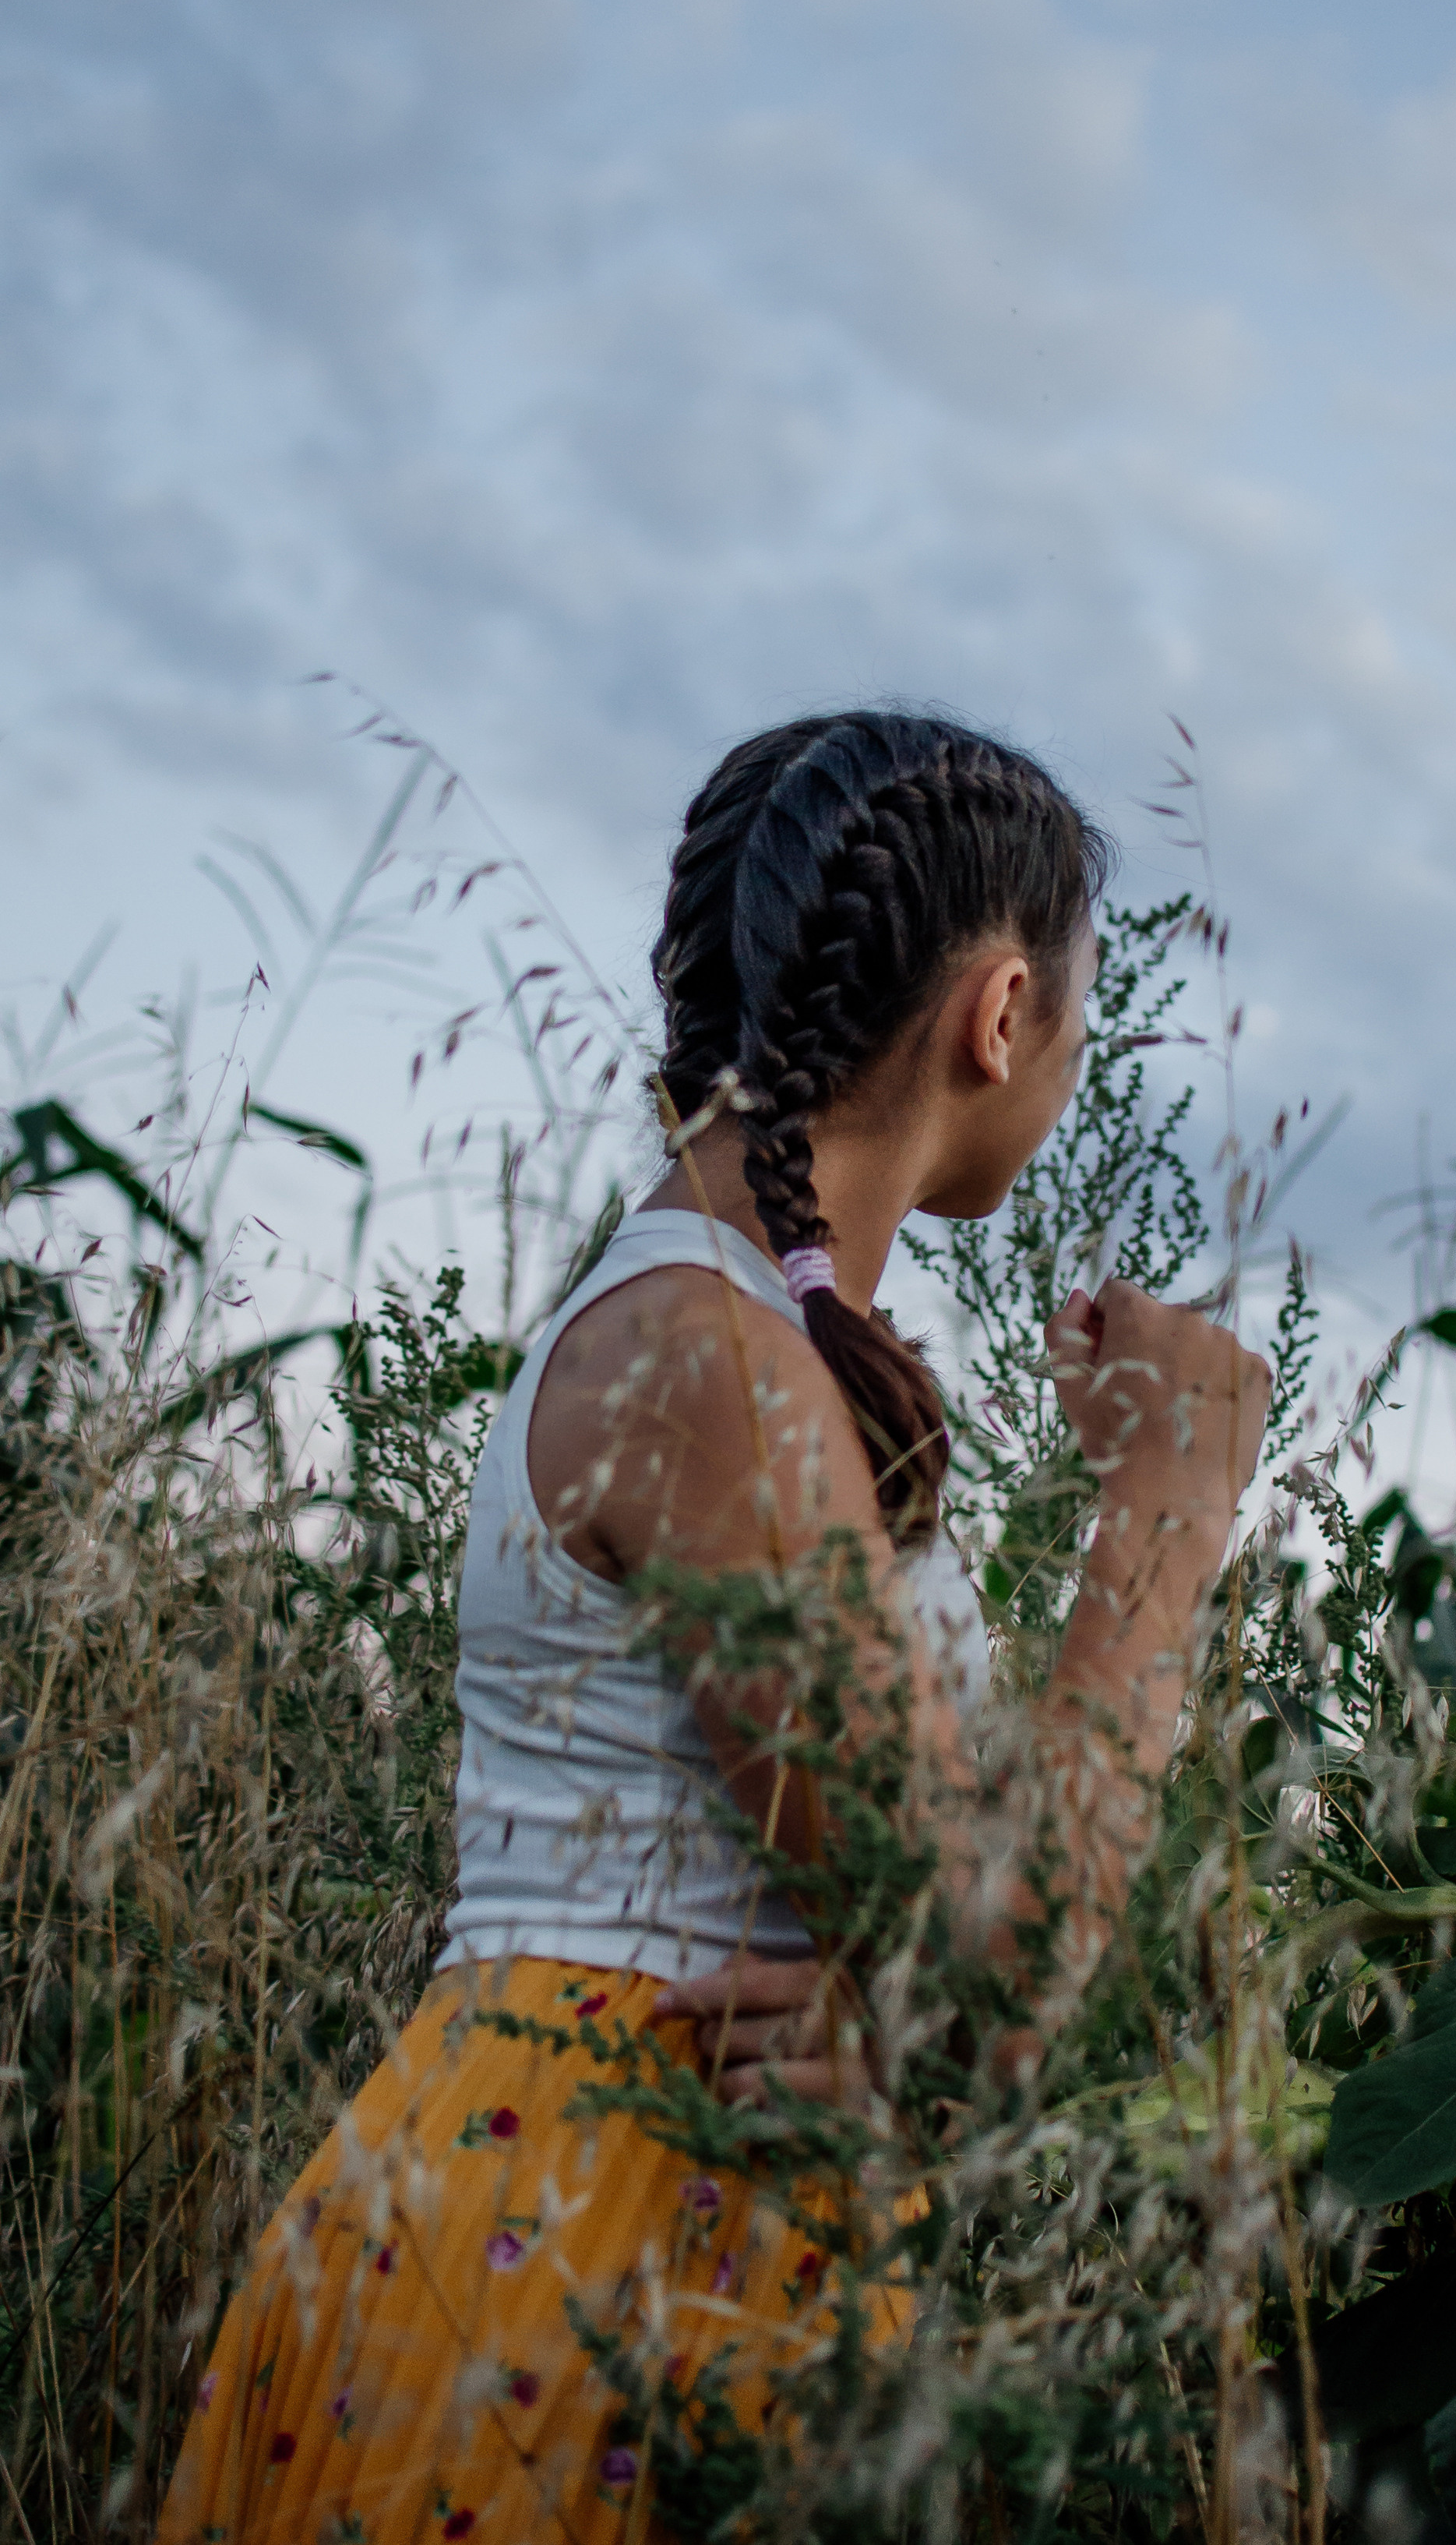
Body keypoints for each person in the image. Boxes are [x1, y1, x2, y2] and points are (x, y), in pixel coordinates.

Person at [159, 709, 1269, 2543]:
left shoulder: (743, 1338)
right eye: (1080, 1010)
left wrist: (897, 2025)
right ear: (1002, 1015)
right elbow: (999, 1974)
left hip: (632, 2204)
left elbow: (937, 1971)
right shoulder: (710, 1359)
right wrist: (1172, 1505)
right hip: (585, 2258)